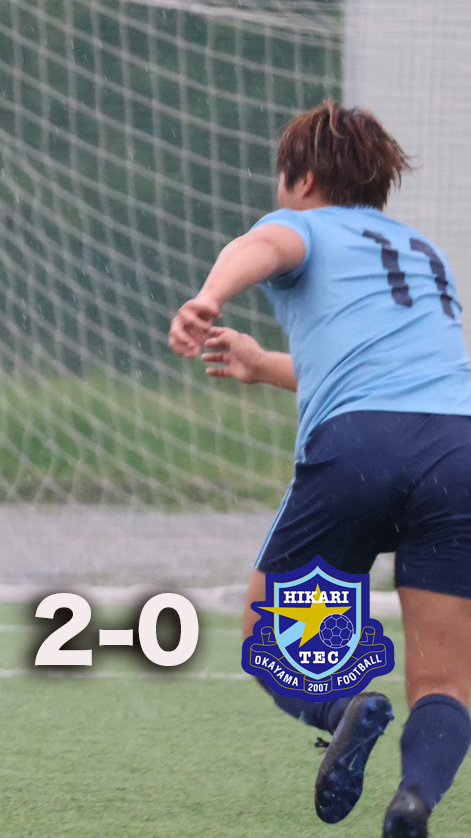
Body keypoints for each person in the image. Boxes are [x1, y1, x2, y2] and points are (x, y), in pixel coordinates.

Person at [169, 100, 471, 838]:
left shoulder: (302, 224)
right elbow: (387, 373)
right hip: (458, 450)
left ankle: (343, 709)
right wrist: (262, 363)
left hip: (360, 451)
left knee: (267, 633)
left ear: (302, 179)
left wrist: (209, 296)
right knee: (444, 678)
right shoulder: (422, 251)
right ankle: (414, 800)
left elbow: (261, 245)